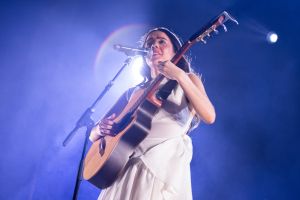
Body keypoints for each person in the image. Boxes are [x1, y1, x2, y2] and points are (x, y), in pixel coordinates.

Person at [89, 27, 216, 200]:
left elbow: (209, 116)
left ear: (175, 50)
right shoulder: (133, 92)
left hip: (162, 166)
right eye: (149, 44)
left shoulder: (188, 79)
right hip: (125, 168)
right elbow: (93, 135)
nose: (154, 46)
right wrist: (100, 129)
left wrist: (179, 75)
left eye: (161, 41)